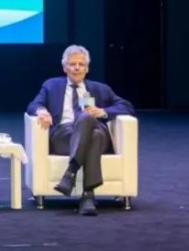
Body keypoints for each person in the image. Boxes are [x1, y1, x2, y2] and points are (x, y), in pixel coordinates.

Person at [26, 45, 135, 216]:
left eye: (81, 64)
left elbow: (126, 106)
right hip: (65, 135)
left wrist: (102, 112)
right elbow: (34, 104)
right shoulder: (51, 85)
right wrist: (41, 110)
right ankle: (88, 196)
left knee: (86, 118)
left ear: (87, 68)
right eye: (72, 64)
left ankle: (70, 173)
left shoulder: (100, 88)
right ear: (65, 67)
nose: (77, 68)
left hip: (96, 129)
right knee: (94, 136)